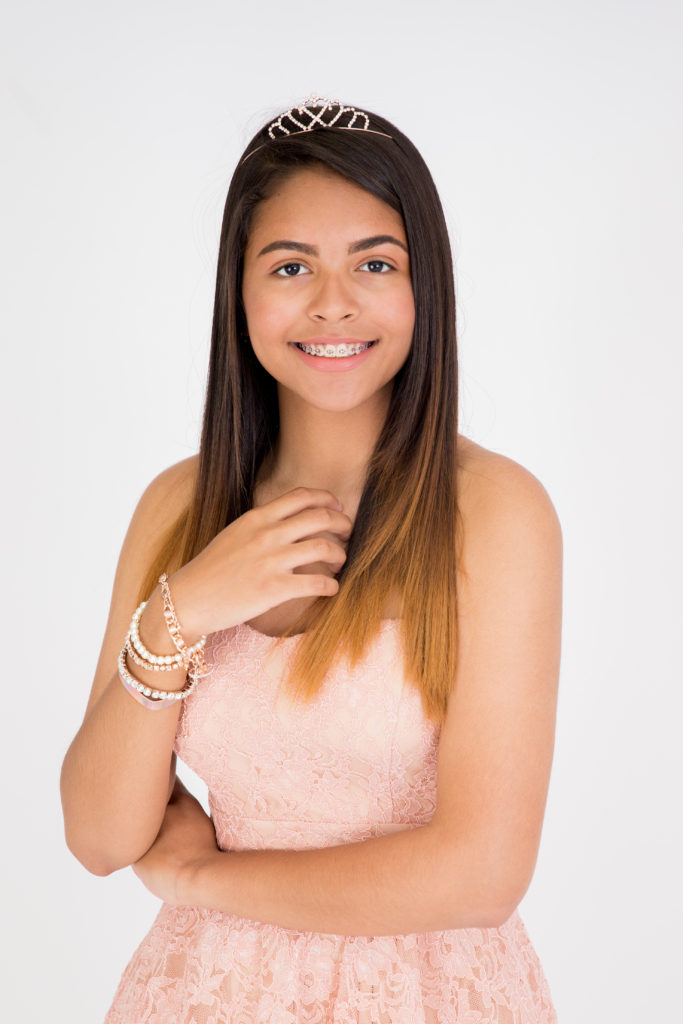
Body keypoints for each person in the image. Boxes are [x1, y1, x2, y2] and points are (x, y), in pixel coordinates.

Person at [60, 94, 562, 1023]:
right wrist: (180, 611)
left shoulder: (493, 512)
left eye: (375, 263)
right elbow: (98, 835)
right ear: (239, 292)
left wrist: (202, 880)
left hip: (425, 995)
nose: (333, 303)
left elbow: (483, 873)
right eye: (291, 266)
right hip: (200, 994)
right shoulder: (179, 507)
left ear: (424, 287)